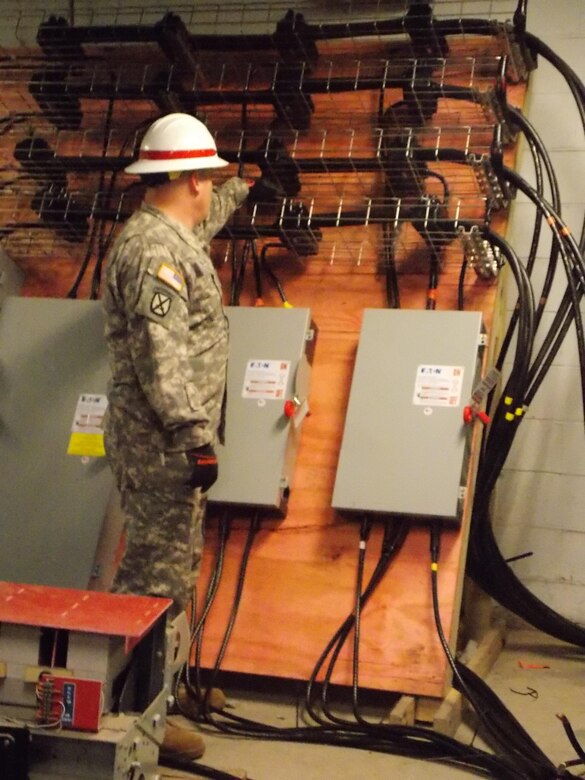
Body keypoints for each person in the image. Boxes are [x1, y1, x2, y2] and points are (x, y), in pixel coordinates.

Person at [101, 112, 250, 758]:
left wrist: (246, 186)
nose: (210, 192)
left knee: (171, 574)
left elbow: (201, 228)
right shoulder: (152, 252)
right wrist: (195, 434)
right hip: (163, 443)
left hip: (167, 441)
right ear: (189, 180)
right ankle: (133, 721)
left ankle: (157, 694)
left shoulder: (167, 235)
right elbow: (161, 356)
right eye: (210, 180)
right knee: (151, 582)